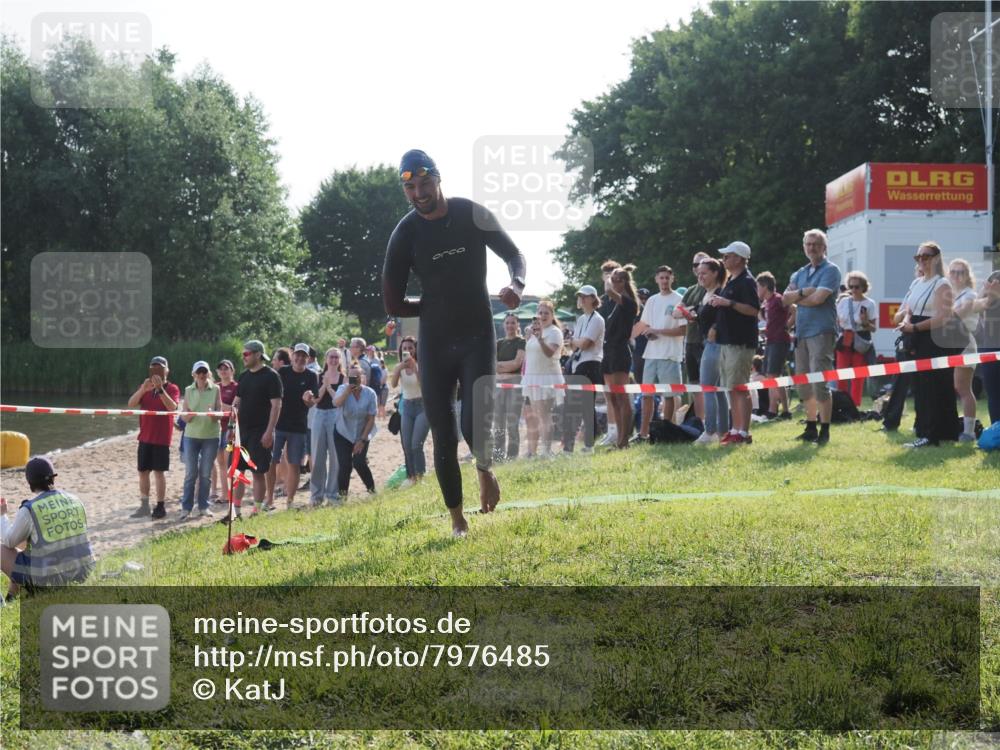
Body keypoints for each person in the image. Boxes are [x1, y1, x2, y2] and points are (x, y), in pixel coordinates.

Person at [382, 149, 525, 537]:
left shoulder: (468, 213)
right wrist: (429, 305)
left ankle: (484, 468)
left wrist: (515, 285)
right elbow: (392, 301)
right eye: (410, 187)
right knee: (443, 433)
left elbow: (513, 254)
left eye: (424, 183)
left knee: (473, 420)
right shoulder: (405, 234)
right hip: (436, 341)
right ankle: (458, 520)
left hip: (478, 334)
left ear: (439, 179)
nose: (418, 193)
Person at [896, 242, 962, 448]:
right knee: (921, 387)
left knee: (933, 387)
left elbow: (943, 317)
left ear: (936, 258)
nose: (921, 260)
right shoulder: (917, 283)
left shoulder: (942, 284)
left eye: (926, 256)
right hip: (915, 337)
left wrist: (915, 328)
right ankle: (929, 431)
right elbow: (909, 308)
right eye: (919, 257)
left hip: (934, 339)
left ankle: (933, 434)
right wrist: (906, 322)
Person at [1, 457, 95, 599]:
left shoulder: (30, 509)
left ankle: (7, 601)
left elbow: (9, 541)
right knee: (27, 546)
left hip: (50, 580)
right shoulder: (75, 500)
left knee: (3, 549)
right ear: (53, 478)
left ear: (29, 482)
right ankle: (11, 597)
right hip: (83, 572)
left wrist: (2, 515)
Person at [782, 229, 842, 445]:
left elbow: (818, 299)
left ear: (824, 247)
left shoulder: (831, 270)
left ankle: (824, 429)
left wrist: (799, 296)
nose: (812, 248)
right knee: (803, 382)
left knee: (819, 382)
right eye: (808, 244)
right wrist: (803, 293)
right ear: (804, 247)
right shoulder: (799, 273)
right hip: (801, 332)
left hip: (821, 332)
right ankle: (810, 427)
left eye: (816, 244)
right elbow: (784, 299)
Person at [709, 242, 760, 445]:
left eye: (728, 256)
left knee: (739, 387)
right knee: (731, 387)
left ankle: (743, 432)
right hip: (727, 341)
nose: (724, 260)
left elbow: (753, 310)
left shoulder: (747, 282)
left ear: (739, 258)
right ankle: (735, 428)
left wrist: (728, 303)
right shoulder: (731, 281)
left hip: (740, 343)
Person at [229, 340, 282, 516]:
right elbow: (237, 402)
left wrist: (269, 432)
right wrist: (231, 426)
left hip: (260, 431)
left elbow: (276, 406)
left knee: (258, 472)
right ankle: (236, 511)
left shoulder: (271, 376)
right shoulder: (243, 376)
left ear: (258, 355)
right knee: (238, 472)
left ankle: (256, 511)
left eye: (246, 354)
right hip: (241, 432)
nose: (243, 357)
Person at [635, 266, 686, 441]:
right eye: (661, 278)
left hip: (670, 354)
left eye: (667, 278)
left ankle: (665, 431)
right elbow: (644, 325)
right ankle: (643, 433)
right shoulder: (652, 300)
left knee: (669, 395)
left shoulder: (680, 299)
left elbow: (683, 330)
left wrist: (659, 331)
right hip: (651, 354)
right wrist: (645, 333)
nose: (664, 281)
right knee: (646, 395)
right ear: (656, 279)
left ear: (672, 279)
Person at [126, 355, 180, 519]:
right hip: (145, 437)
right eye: (154, 367)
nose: (157, 370)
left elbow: (173, 407)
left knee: (159, 472)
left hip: (161, 438)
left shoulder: (172, 388)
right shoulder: (145, 387)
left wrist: (160, 389)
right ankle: (144, 505)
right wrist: (143, 389)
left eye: (160, 367)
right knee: (143, 471)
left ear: (167, 370)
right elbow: (131, 404)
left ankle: (160, 505)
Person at [268, 343, 319, 508]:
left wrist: (308, 400)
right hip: (279, 424)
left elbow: (312, 403)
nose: (300, 358)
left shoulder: (312, 375)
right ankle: (269, 499)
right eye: (297, 355)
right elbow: (272, 396)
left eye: (304, 356)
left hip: (298, 427)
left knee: (294, 464)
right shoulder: (282, 372)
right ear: (292, 356)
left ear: (308, 358)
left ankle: (290, 501)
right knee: (272, 461)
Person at [562, 285, 605, 454]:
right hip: (578, 364)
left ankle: (587, 445)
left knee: (584, 407)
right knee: (575, 406)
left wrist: (575, 341)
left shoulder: (597, 319)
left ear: (593, 299)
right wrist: (576, 342)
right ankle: (573, 446)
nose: (582, 299)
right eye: (581, 296)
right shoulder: (581, 319)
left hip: (591, 364)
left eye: (585, 296)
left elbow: (585, 344)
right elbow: (576, 345)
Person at [602, 265, 640, 449]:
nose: (613, 282)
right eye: (613, 279)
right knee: (613, 398)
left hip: (620, 352)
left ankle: (625, 440)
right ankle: (619, 439)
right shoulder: (615, 305)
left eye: (617, 279)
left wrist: (608, 278)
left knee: (622, 397)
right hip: (608, 351)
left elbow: (608, 289)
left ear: (625, 282)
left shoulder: (629, 302)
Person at [693, 258, 730, 444]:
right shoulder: (705, 295)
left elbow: (724, 317)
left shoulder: (720, 293)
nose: (700, 277)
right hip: (709, 345)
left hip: (715, 345)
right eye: (698, 273)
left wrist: (714, 327)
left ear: (715, 273)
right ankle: (723, 431)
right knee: (718, 390)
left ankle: (710, 431)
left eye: (704, 273)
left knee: (708, 387)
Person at [179, 361, 222, 520]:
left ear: (209, 373)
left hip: (211, 436)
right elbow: (184, 415)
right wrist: (187, 417)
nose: (202, 375)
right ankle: (186, 508)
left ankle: (203, 506)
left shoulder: (216, 389)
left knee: (205, 474)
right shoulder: (188, 390)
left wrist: (214, 415)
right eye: (199, 372)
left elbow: (220, 412)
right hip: (191, 436)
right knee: (191, 473)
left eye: (204, 372)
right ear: (194, 374)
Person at [522, 300, 565, 457]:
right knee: (537, 416)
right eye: (540, 313)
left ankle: (547, 451)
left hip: (547, 379)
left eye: (546, 313)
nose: (543, 316)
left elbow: (549, 354)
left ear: (552, 315)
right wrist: (531, 337)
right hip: (532, 378)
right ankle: (540, 451)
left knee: (544, 415)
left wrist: (540, 339)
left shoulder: (554, 332)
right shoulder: (533, 331)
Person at [303, 348, 346, 506]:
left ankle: (332, 495)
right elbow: (315, 399)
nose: (334, 360)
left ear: (340, 359)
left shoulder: (344, 378)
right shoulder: (318, 376)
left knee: (335, 457)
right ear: (326, 359)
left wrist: (329, 388)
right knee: (317, 455)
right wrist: (323, 384)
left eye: (336, 357)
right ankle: (316, 496)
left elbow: (340, 399)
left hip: (336, 415)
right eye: (331, 357)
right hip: (319, 416)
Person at [389, 336, 430, 485]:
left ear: (415, 350)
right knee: (406, 445)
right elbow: (393, 385)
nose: (407, 351)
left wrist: (415, 368)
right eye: (404, 348)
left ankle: (420, 476)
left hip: (422, 407)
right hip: (406, 406)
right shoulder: (399, 367)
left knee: (416, 444)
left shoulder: (421, 365)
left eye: (410, 348)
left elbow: (424, 385)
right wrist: (399, 368)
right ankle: (411, 476)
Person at [331, 363, 377, 496]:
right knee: (345, 464)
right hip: (343, 432)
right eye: (351, 377)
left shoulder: (370, 393)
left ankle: (372, 490)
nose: (354, 379)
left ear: (362, 377)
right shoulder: (342, 389)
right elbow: (336, 403)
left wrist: (362, 440)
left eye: (357, 376)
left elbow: (371, 418)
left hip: (363, 432)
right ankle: (343, 496)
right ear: (347, 377)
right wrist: (347, 392)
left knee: (359, 462)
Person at [834, 271, 877, 408]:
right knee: (841, 375)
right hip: (844, 340)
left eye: (857, 287)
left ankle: (854, 407)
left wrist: (864, 322)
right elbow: (837, 321)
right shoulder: (843, 302)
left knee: (858, 377)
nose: (853, 290)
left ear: (863, 287)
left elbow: (873, 328)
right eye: (851, 286)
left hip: (861, 340)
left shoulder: (870, 304)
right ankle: (840, 406)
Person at [948, 259, 979, 442]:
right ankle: (951, 426)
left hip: (965, 346)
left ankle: (969, 432)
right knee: (952, 387)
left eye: (960, 272)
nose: (956, 276)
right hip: (950, 346)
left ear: (967, 276)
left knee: (963, 388)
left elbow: (957, 315)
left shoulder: (970, 295)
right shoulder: (951, 294)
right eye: (952, 272)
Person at [756, 271, 792, 418]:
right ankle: (785, 411)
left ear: (765, 286)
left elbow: (794, 309)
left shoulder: (778, 299)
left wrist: (787, 326)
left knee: (772, 375)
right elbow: (772, 321)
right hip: (771, 340)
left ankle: (772, 410)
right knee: (775, 376)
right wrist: (765, 330)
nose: (757, 290)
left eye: (758, 287)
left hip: (779, 341)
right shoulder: (768, 302)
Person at [680, 252, 710, 421]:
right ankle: (700, 421)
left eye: (701, 264)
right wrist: (691, 310)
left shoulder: (712, 288)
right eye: (694, 265)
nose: (697, 268)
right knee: (694, 385)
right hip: (689, 341)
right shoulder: (691, 290)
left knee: (710, 385)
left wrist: (690, 311)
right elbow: (676, 312)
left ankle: (712, 421)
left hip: (705, 341)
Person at [494, 313, 526, 461]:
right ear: (503, 325)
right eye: (507, 323)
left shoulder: (521, 342)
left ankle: (512, 456)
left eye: (513, 323)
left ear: (517, 325)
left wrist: (500, 367)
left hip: (515, 386)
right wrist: (506, 367)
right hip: (498, 387)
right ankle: (499, 455)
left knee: (512, 422)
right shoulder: (498, 343)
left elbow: (517, 363)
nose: (510, 326)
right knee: (498, 422)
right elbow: (492, 365)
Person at [974, 272, 1000, 425]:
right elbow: (975, 307)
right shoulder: (993, 279)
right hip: (990, 349)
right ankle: (997, 434)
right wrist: (991, 296)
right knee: (994, 395)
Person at [213, 359, 238, 503]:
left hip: (231, 430)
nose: (223, 371)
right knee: (221, 462)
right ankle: (224, 495)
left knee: (229, 462)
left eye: (226, 368)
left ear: (232, 371)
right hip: (216, 429)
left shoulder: (236, 387)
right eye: (221, 369)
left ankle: (232, 493)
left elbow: (234, 409)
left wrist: (220, 406)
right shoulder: (215, 387)